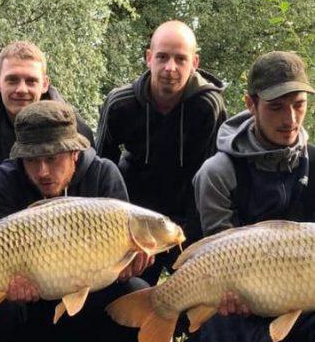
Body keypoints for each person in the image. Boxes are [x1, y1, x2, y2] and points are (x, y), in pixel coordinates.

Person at [0, 100, 152, 342]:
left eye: (53, 159)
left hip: (84, 314)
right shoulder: (0, 182)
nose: (43, 172)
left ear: (74, 152)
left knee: (136, 291)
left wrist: (127, 266)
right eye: (32, 160)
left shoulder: (103, 176)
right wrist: (7, 288)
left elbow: (124, 265)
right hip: (25, 317)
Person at [192, 51, 315, 342]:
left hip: (304, 303)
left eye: (299, 104)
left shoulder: (314, 164)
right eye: (276, 107)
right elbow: (217, 256)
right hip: (238, 303)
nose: (290, 119)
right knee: (224, 337)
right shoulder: (217, 172)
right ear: (250, 104)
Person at [96, 20, 227, 286]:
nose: (170, 68)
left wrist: (191, 231)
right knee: (129, 291)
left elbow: (212, 176)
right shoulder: (120, 104)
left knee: (198, 294)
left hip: (189, 208)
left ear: (195, 63)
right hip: (133, 214)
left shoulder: (208, 105)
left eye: (180, 59)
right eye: (162, 57)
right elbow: (101, 171)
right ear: (148, 58)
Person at [0, 41, 95, 189]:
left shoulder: (76, 131)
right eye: (12, 80)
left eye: (31, 81)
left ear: (45, 84)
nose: (21, 89)